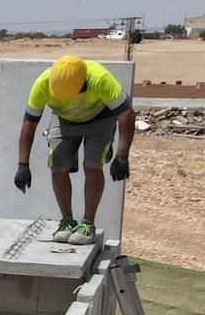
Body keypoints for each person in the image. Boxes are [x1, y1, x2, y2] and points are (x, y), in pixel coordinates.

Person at [13, 54, 135, 243]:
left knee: (92, 165)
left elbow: (127, 115)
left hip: (100, 118)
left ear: (83, 84)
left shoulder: (100, 78)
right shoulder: (42, 84)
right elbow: (29, 125)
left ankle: (87, 224)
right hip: (63, 120)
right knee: (58, 164)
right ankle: (67, 221)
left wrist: (122, 156)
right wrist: (23, 164)